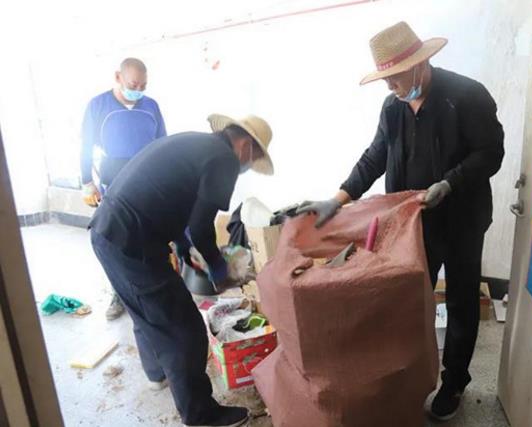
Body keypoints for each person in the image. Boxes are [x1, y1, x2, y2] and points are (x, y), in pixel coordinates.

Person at [298, 22, 504, 421]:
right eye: (385, 79)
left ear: (419, 64)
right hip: (412, 226)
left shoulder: (466, 96)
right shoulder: (393, 107)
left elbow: (490, 153)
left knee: (461, 302)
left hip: (462, 220)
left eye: (395, 76)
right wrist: (338, 199)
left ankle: (454, 382)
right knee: (408, 301)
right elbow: (375, 155)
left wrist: (449, 182)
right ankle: (410, 378)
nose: (390, 86)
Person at [89, 114, 274, 427]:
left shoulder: (195, 144)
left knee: (147, 311)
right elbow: (201, 226)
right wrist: (220, 272)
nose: (247, 166)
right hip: (133, 242)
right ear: (245, 146)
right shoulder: (225, 160)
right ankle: (201, 415)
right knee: (183, 329)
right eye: (252, 159)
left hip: (107, 232)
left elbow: (171, 199)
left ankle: (158, 374)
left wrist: (183, 245)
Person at [80, 57, 167, 320]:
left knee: (150, 238)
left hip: (147, 182)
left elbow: (162, 143)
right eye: (133, 84)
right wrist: (86, 181)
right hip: (114, 185)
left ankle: (156, 289)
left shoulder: (151, 106)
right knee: (117, 242)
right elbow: (85, 146)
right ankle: (119, 295)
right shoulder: (98, 106)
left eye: (143, 86)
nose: (138, 90)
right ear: (118, 77)